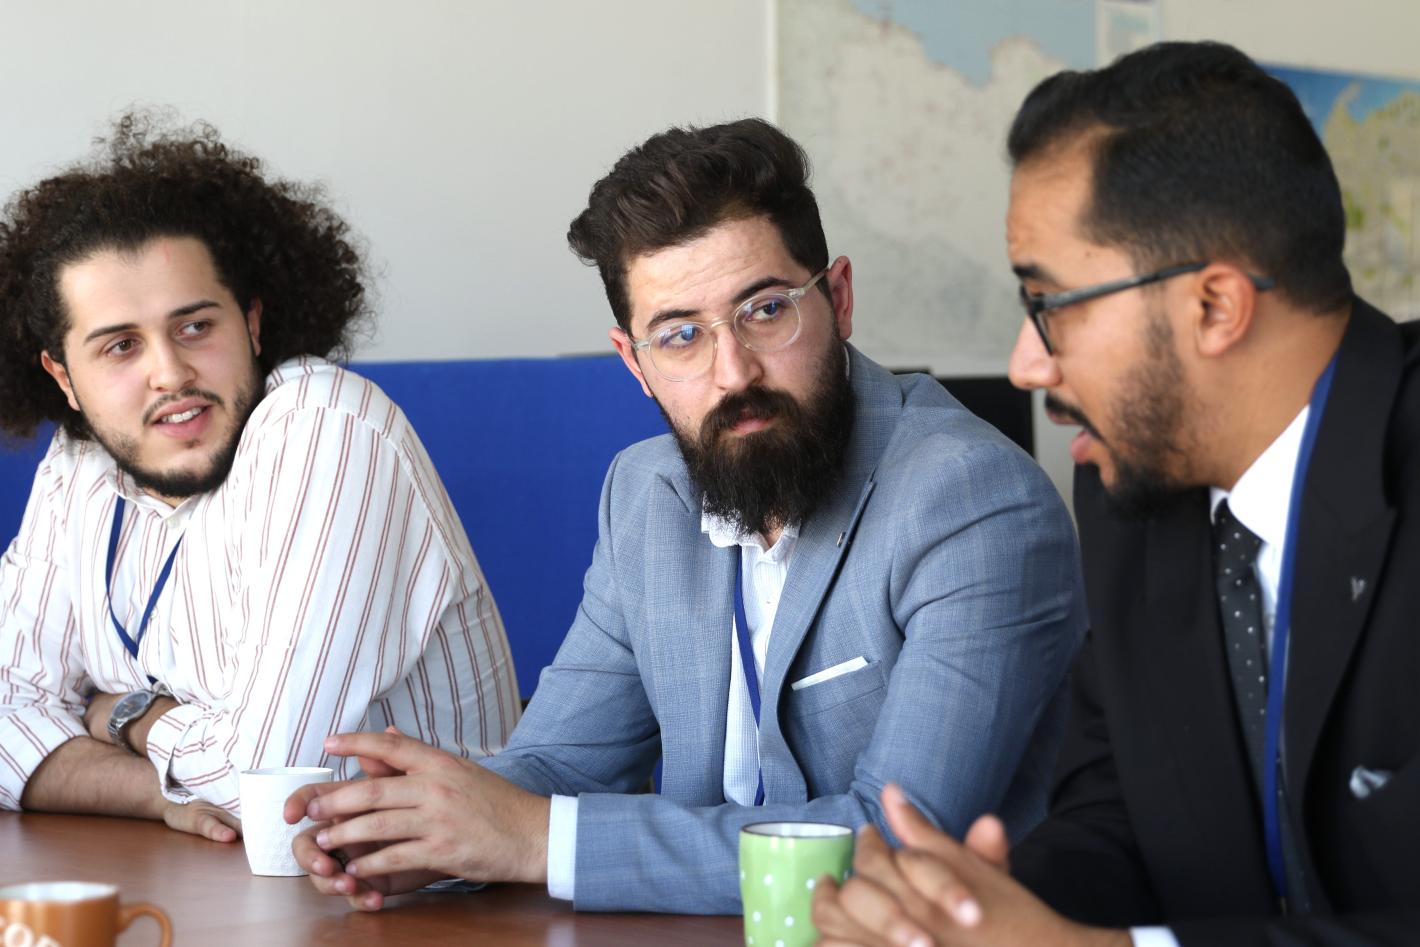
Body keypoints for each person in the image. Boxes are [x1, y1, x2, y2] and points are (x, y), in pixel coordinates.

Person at [285, 118, 1085, 914]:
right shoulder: (645, 495)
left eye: (765, 310)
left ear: (838, 298)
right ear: (633, 362)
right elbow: (559, 766)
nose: (733, 372)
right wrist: (409, 832)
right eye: (679, 336)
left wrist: (534, 839)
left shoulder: (972, 499)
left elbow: (897, 841)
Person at [812, 41, 1420, 946]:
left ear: (1215, 306)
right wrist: (961, 915)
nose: (1026, 364)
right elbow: (1120, 813)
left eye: (1050, 304)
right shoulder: (1135, 491)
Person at [0, 115, 521, 842]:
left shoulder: (325, 427)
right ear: (64, 378)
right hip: (208, 879)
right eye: (120, 346)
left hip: (433, 893)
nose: (169, 373)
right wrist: (157, 795)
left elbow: (274, 781)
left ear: (251, 322)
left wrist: (122, 715)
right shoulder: (79, 463)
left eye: (195, 327)